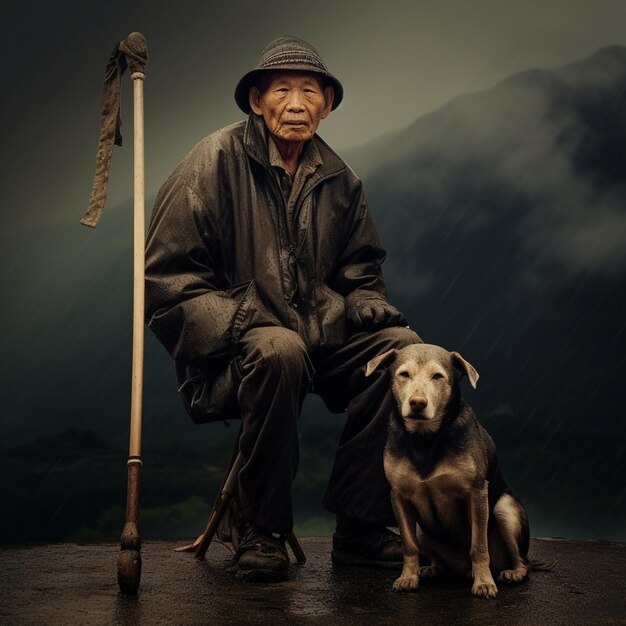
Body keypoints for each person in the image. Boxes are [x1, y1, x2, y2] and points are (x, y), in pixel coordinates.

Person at [144, 36, 422, 581]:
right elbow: (167, 283)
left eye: (309, 92)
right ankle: (261, 531)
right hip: (230, 355)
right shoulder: (212, 163)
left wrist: (365, 301)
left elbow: (360, 269)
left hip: (318, 340)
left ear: (327, 104)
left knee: (403, 352)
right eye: (282, 90)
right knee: (279, 350)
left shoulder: (340, 181)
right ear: (256, 100)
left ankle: (362, 527)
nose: (296, 104)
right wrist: (247, 317)